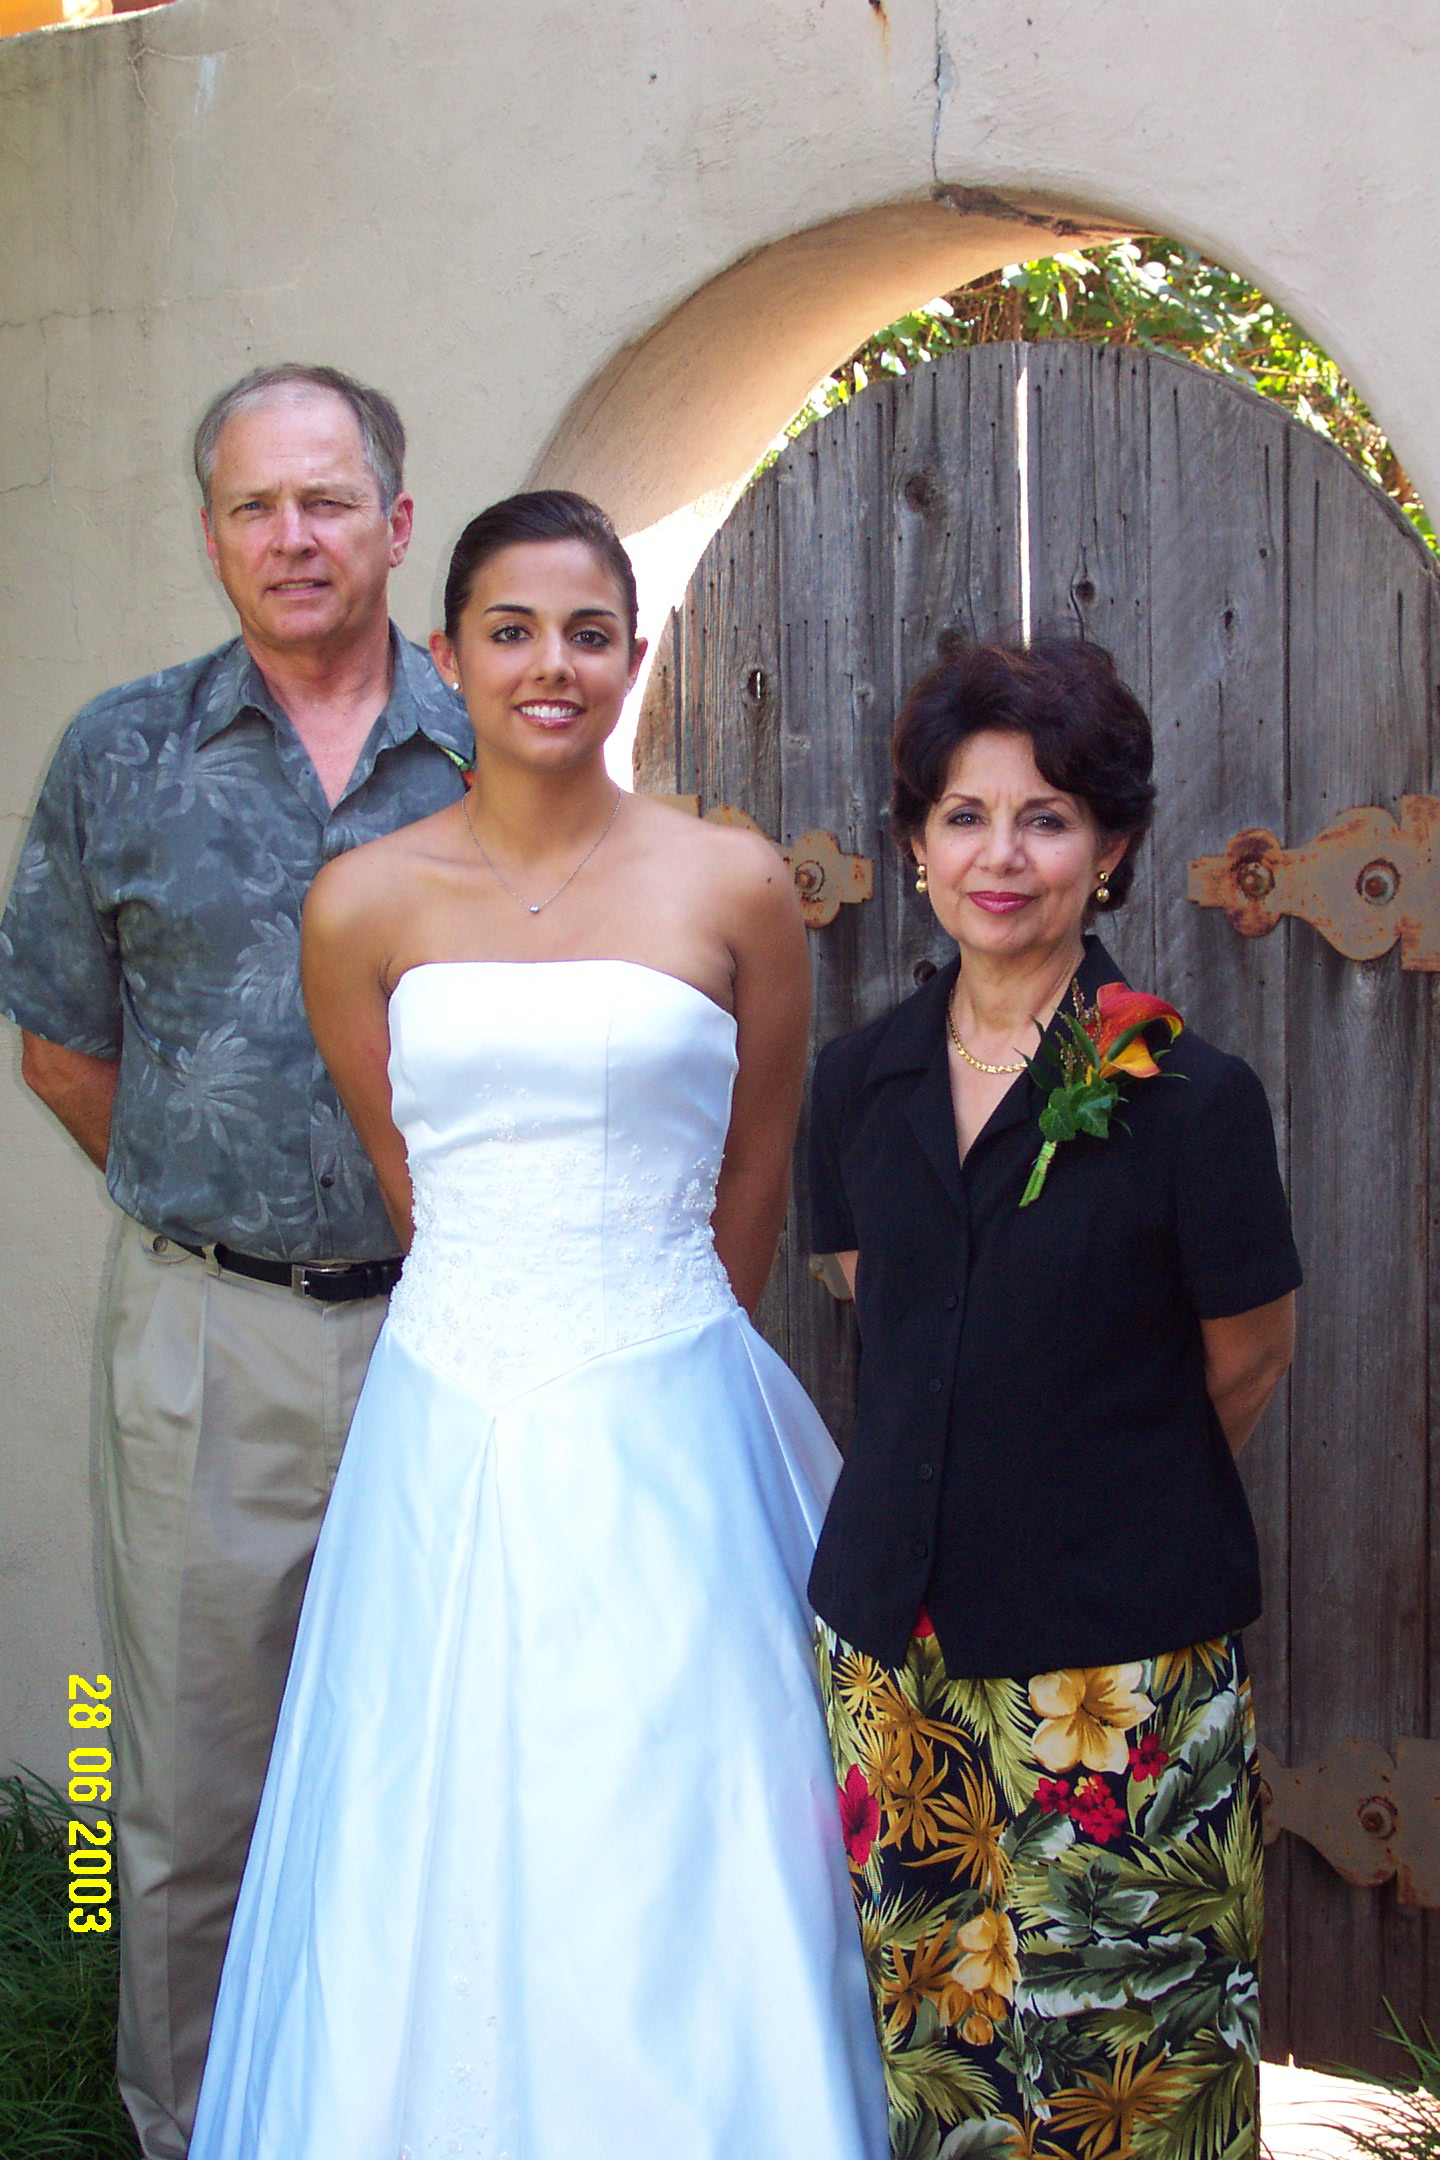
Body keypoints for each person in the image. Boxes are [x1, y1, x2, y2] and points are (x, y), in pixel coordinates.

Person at [186, 489, 889, 2160]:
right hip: (446, 1413)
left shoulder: (732, 887)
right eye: (512, 630)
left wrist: (638, 1319)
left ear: (635, 659)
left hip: (663, 1416)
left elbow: (759, 1175)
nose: (550, 665)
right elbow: (404, 1171)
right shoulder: (362, 904)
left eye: (588, 632)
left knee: (662, 1820)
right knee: (417, 1827)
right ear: (451, 656)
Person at [0, 363, 473, 2160]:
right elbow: (60, 1040)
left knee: (440, 1759)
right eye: (255, 505)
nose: (292, 535)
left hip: (453, 1337)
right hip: (200, 1339)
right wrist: (214, 1189)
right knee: (154, 1768)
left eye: (329, 501)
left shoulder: (495, 745)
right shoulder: (117, 753)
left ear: (396, 526)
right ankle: (178, 2115)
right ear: (210, 532)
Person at [805, 636, 1301, 2158]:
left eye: (1046, 818)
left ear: (1114, 848)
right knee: (936, 2068)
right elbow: (862, 1298)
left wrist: (1089, 1498)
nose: (999, 856)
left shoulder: (1189, 1099)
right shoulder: (857, 1083)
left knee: (1123, 2080)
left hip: (1117, 1683)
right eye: (963, 815)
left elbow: (1249, 1354)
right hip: (897, 1665)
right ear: (913, 845)